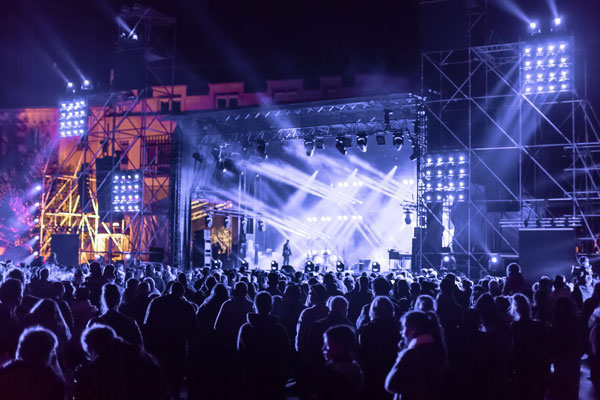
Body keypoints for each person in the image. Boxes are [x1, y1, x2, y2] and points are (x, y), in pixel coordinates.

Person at [75, 324, 169, 400]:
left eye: (88, 352)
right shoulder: (143, 357)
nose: (89, 357)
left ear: (92, 347)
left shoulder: (95, 371)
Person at [144, 282, 198, 398]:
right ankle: (174, 395)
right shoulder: (187, 306)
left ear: (169, 290)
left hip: (159, 344)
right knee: (176, 375)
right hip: (178, 345)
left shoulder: (156, 302)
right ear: (182, 293)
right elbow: (194, 329)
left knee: (160, 373)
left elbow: (147, 324)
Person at [237, 291, 293, 400]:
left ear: (255, 305)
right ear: (270, 306)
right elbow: (286, 354)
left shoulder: (246, 328)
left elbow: (240, 353)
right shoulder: (279, 329)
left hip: (252, 376)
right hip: (274, 377)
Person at [385, 311, 447, 400]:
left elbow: (390, 384)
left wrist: (402, 354)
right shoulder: (437, 349)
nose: (401, 332)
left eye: (404, 327)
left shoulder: (411, 353)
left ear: (413, 330)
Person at [0, 326, 66, 400]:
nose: (54, 354)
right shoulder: (52, 381)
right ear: (47, 352)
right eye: (53, 351)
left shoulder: (7, 372)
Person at [358, 296, 401, 400]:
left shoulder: (366, 329)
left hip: (371, 371)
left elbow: (361, 351)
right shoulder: (399, 328)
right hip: (392, 368)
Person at [311, 324, 364, 400]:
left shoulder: (337, 374)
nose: (323, 349)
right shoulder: (353, 366)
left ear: (340, 347)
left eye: (327, 345)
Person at [307, 295, 352, 365]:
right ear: (345, 309)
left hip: (319, 366)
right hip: (342, 367)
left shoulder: (317, 325)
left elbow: (311, 348)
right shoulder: (349, 328)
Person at [296, 283, 329, 359]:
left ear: (317, 295)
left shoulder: (307, 313)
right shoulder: (328, 311)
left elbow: (301, 334)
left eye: (311, 293)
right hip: (325, 350)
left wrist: (300, 352)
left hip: (309, 351)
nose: (308, 295)